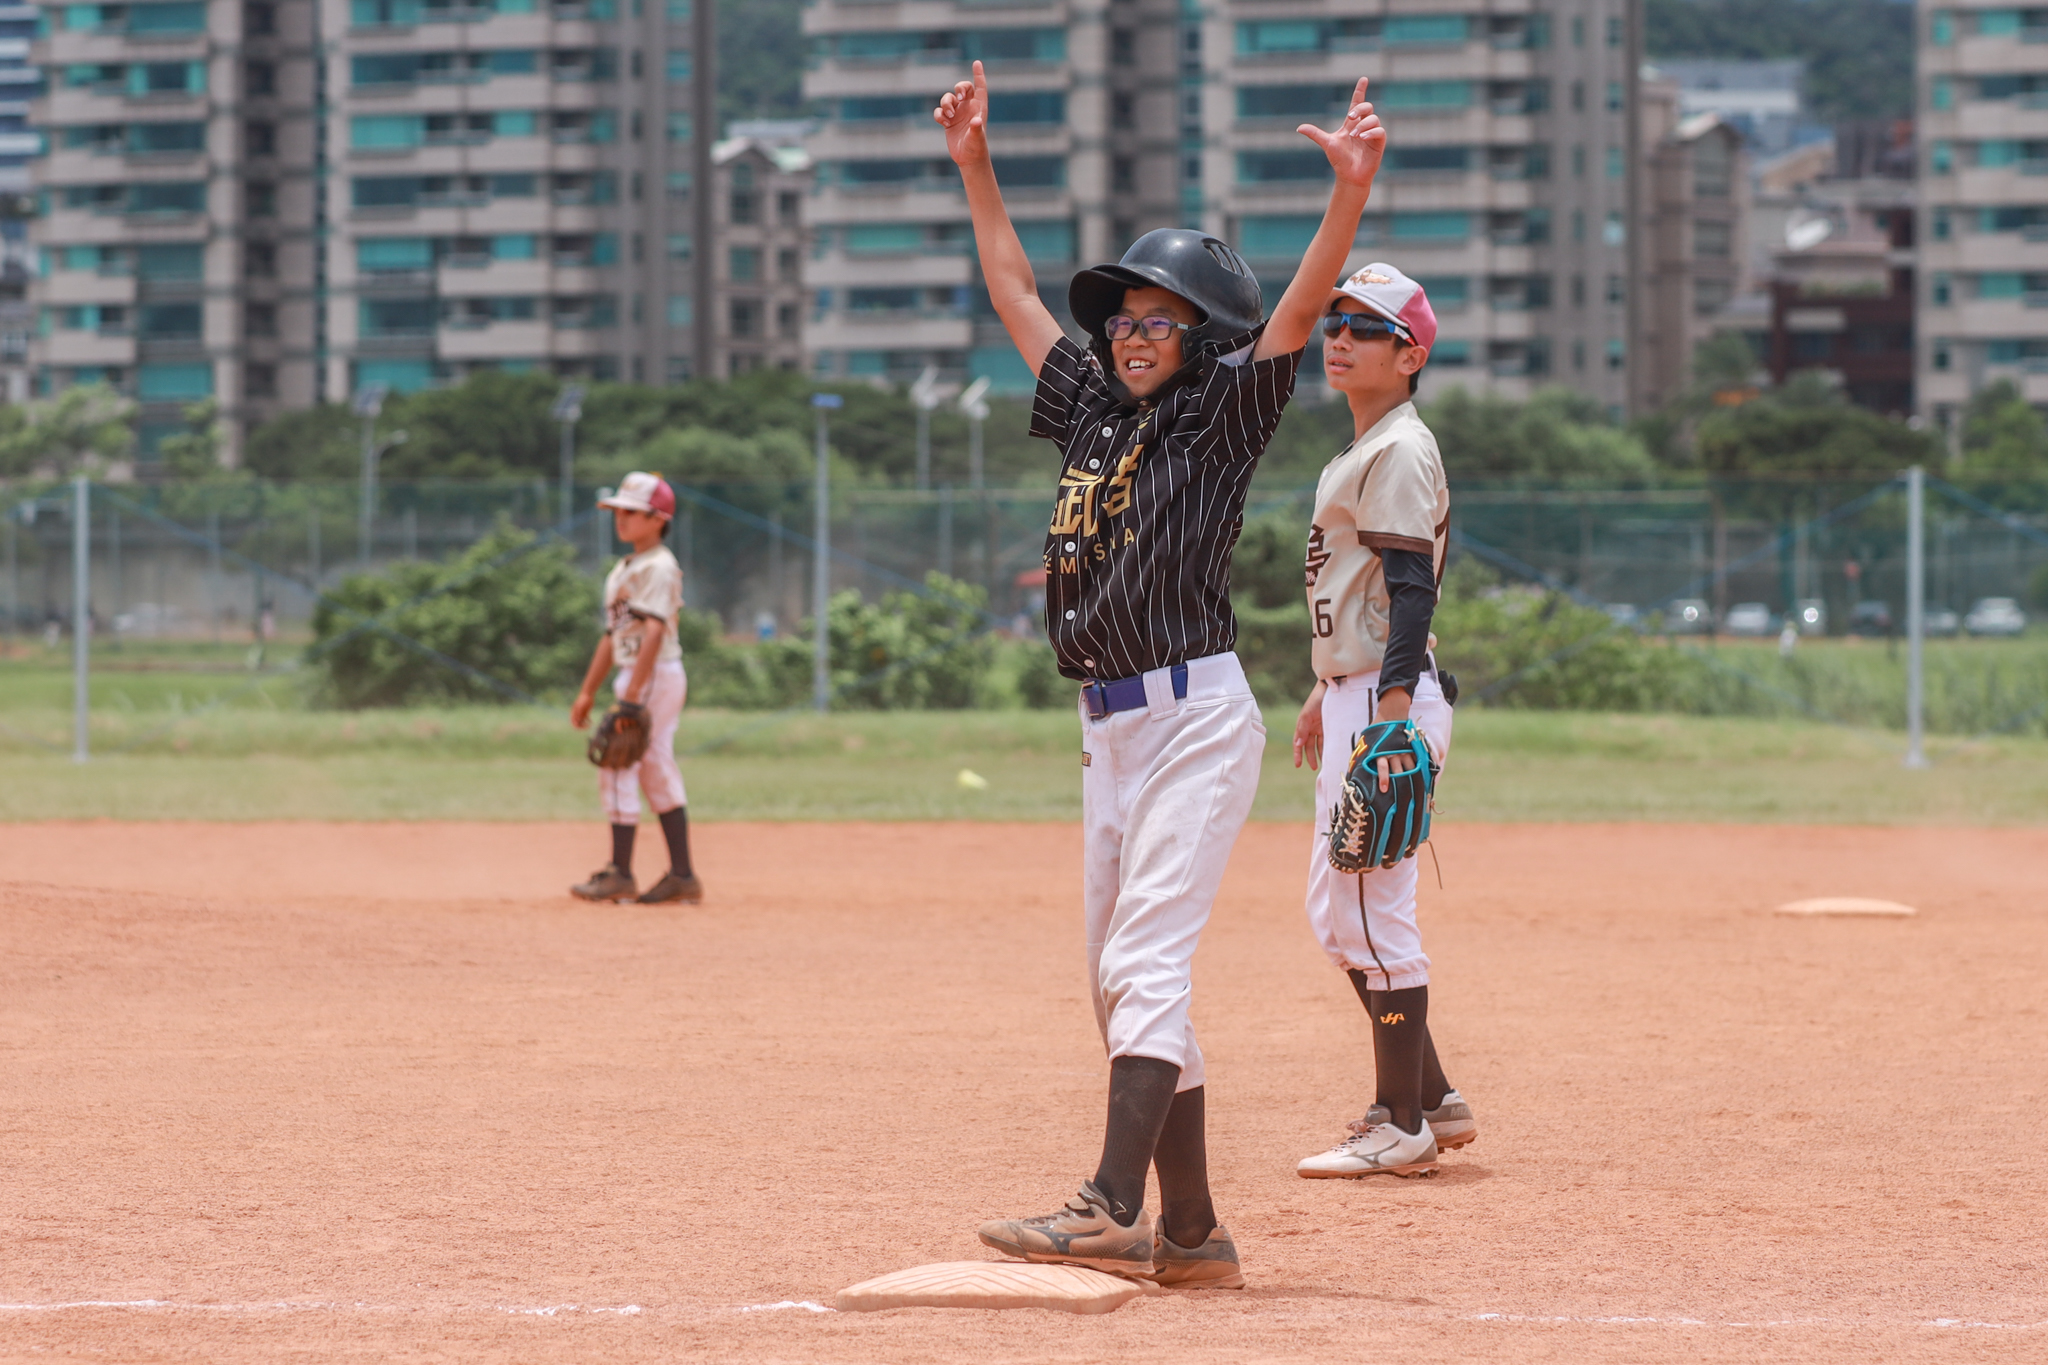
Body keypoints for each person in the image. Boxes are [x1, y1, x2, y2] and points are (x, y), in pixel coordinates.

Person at [934, 61, 1387, 1286]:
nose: (1132, 336)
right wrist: (975, 163)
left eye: (1159, 319)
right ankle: (1189, 1236)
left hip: (1192, 713)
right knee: (1118, 986)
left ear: (1202, 341)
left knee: (1143, 967)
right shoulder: (1088, 405)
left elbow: (1292, 315)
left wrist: (1346, 197)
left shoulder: (1218, 414)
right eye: (1123, 318)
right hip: (1108, 730)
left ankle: (1106, 1205)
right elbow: (1013, 288)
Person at [1290, 265, 1476, 1179]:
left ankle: (1398, 1121)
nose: (1339, 339)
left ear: (1409, 354)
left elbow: (1412, 589)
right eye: (1334, 323)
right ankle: (1434, 1098)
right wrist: (1330, 688)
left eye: (1363, 328)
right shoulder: (1369, 445)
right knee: (1339, 912)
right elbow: (1365, 593)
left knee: (1373, 916)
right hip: (1361, 689)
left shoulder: (1398, 447)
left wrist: (1389, 713)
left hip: (1389, 698)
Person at [568, 471, 703, 905]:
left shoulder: (659, 567)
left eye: (632, 512)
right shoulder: (625, 568)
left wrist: (631, 695)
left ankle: (621, 872)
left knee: (618, 764)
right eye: (618, 511)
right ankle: (681, 876)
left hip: (654, 673)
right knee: (652, 766)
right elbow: (614, 636)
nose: (621, 519)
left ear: (658, 518)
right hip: (643, 673)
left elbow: (654, 633)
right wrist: (589, 690)